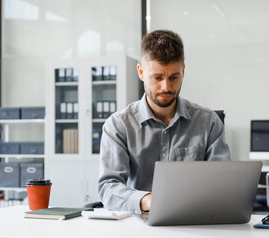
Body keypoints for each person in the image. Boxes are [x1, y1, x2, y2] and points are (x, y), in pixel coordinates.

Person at [98, 29, 231, 213]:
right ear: (141, 72)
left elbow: (223, 184)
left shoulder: (209, 122)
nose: (166, 87)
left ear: (183, 70)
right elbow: (108, 187)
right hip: (139, 224)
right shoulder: (118, 125)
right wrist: (147, 200)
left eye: (174, 77)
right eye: (158, 77)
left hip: (195, 222)